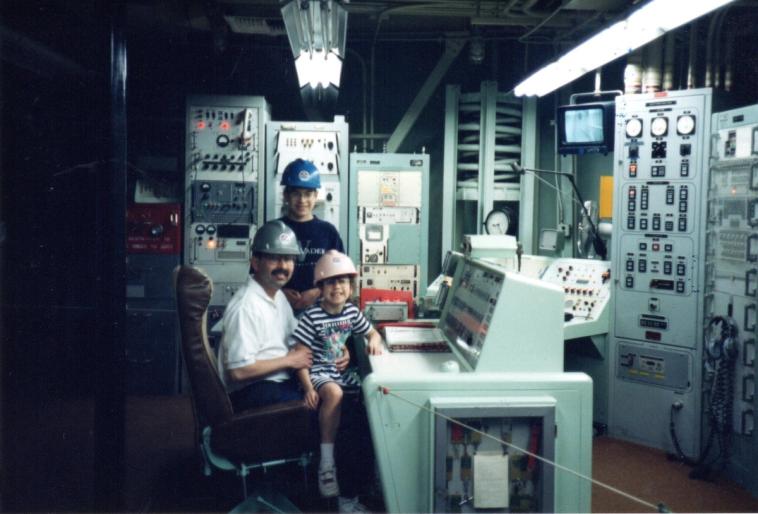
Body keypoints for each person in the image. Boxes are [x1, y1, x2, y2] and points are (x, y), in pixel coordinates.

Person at [216, 220, 348, 411]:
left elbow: (301, 337)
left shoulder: (277, 296)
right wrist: (290, 361)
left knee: (340, 392)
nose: (283, 266)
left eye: (288, 259)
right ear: (256, 262)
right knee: (322, 404)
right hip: (251, 391)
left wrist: (338, 347)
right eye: (275, 258)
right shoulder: (247, 307)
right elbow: (238, 371)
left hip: (276, 382)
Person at [292, 250, 383, 506]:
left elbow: (372, 333)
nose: (337, 288)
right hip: (318, 371)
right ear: (320, 287)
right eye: (330, 282)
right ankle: (327, 462)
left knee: (369, 393)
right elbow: (299, 355)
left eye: (342, 282)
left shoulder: (351, 313)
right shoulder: (311, 316)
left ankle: (376, 472)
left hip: (338, 371)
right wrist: (308, 387)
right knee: (335, 393)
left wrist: (374, 342)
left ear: (351, 286)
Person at [278, 158, 344, 312]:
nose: (302, 200)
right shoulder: (273, 230)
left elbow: (341, 276)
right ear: (286, 195)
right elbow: (257, 277)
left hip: (320, 313)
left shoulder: (328, 232)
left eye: (308, 194)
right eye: (296, 193)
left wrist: (317, 292)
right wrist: (280, 293)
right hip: (278, 311)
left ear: (315, 196)